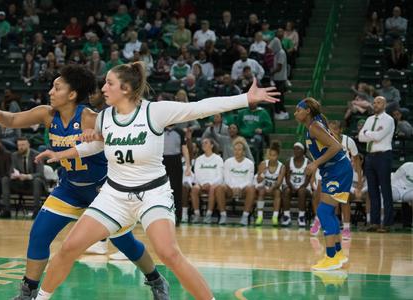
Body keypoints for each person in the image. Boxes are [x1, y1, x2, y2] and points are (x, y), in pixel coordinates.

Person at [32, 61, 278, 299]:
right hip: (114, 195)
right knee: (68, 248)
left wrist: (245, 99)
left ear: (125, 89)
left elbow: (200, 107)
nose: (103, 88)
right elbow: (94, 146)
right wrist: (61, 153)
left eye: (109, 83)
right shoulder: (104, 117)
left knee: (168, 253)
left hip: (152, 194)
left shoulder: (154, 111)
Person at [0, 65, 169, 300]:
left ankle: (156, 280)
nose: (50, 91)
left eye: (56, 87)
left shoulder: (90, 117)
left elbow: (121, 137)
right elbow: (14, 119)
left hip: (101, 191)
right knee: (39, 234)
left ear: (72, 94)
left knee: (123, 241)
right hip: (68, 188)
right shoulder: (47, 114)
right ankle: (28, 292)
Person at [294, 97, 351, 271]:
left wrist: (315, 163)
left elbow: (336, 146)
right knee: (327, 211)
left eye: (298, 110)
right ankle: (338, 254)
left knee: (324, 211)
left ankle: (331, 257)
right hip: (332, 171)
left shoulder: (314, 127)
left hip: (338, 170)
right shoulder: (314, 125)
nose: (295, 113)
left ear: (308, 111)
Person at [358, 96, 395, 232]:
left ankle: (387, 223)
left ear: (384, 104)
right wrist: (370, 133)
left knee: (385, 190)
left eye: (378, 102)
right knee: (372, 191)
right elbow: (360, 137)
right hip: (370, 157)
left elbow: (379, 137)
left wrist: (367, 132)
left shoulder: (389, 119)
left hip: (383, 156)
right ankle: (374, 222)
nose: (375, 105)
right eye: (374, 103)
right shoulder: (369, 119)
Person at [329, 120, 362, 240]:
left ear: (340, 130)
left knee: (344, 200)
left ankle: (347, 228)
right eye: (330, 129)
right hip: (331, 174)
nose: (332, 132)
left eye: (335, 129)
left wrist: (359, 181)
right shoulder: (325, 141)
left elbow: (357, 160)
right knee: (328, 200)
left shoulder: (348, 141)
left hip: (345, 174)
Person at [216, 141, 256, 226]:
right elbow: (226, 178)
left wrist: (239, 188)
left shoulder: (250, 163)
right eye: (235, 149)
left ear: (244, 152)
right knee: (220, 188)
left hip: (243, 189)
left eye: (239, 150)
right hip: (230, 188)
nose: (236, 151)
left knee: (251, 188)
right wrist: (233, 188)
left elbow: (249, 180)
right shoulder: (227, 162)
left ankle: (245, 217)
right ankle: (223, 215)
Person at [190, 138, 224, 224]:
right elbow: (196, 174)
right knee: (194, 189)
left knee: (212, 188)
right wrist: (202, 184)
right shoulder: (199, 159)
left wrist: (210, 183)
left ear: (212, 145)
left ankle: (208, 215)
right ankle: (197, 214)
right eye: (202, 143)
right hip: (201, 184)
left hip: (213, 184)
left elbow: (220, 176)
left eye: (206, 143)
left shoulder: (218, 159)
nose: (203, 144)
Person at [254, 141, 285, 226]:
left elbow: (278, 183)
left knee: (278, 193)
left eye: (274, 155)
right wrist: (263, 173)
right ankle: (259, 217)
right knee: (261, 191)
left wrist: (271, 188)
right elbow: (258, 180)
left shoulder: (282, 167)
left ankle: (274, 217)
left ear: (277, 156)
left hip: (275, 187)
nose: (272, 157)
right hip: (264, 186)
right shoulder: (263, 164)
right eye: (270, 155)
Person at [281, 142, 311, 226]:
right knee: (286, 191)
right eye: (294, 148)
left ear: (303, 151)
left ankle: (301, 217)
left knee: (301, 191)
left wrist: (299, 188)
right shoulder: (288, 162)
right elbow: (287, 178)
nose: (295, 150)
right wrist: (292, 186)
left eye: (298, 148)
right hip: (291, 185)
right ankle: (286, 216)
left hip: (304, 187)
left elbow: (307, 181)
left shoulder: (308, 162)